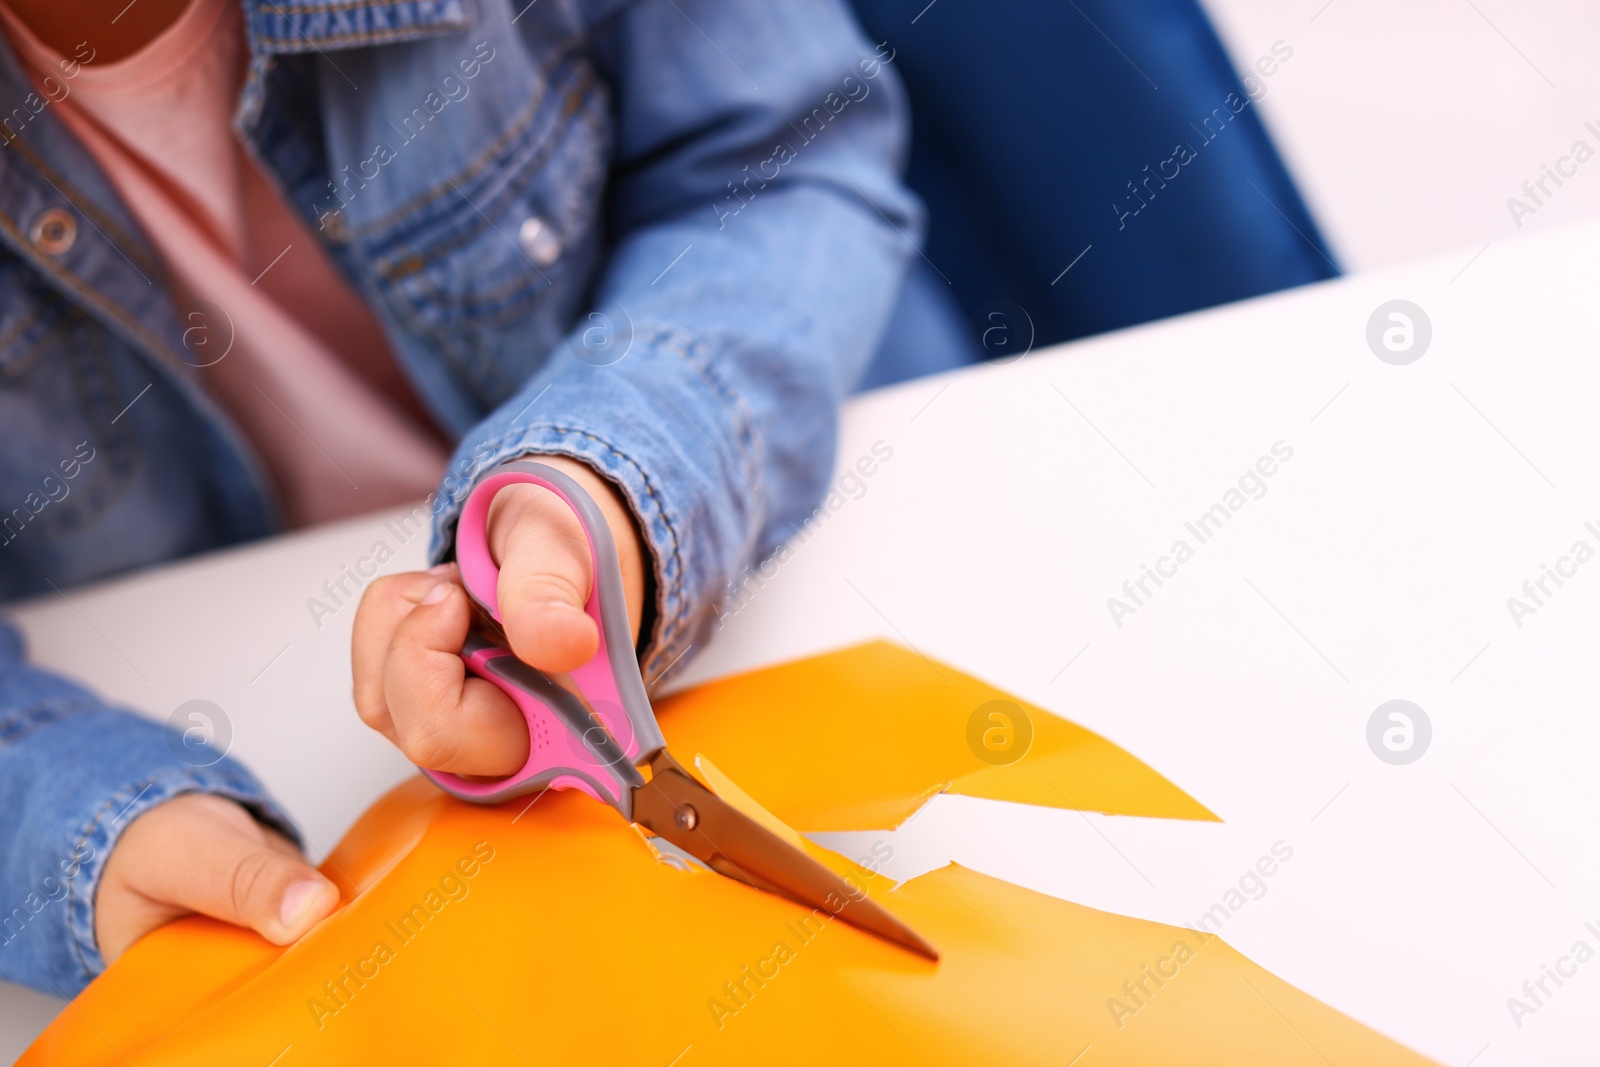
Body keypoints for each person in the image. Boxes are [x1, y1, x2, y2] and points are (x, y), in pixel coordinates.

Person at [0, 0, 937, 997]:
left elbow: (795, 162)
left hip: (828, 488)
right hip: (262, 727)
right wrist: (69, 818)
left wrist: (619, 477)